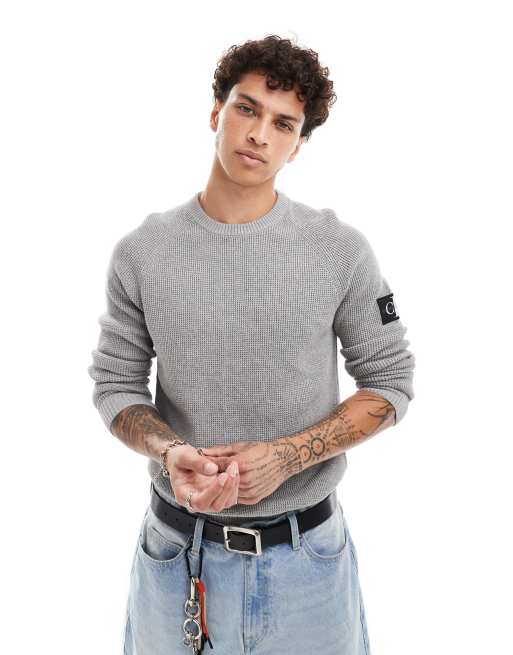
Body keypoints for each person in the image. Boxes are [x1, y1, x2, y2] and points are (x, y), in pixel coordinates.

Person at [88, 34, 415, 655]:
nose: (259, 134)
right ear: (217, 112)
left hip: (306, 563)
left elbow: (390, 382)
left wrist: (288, 457)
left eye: (283, 123)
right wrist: (169, 451)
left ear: (298, 144)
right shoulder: (143, 253)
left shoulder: (336, 250)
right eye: (247, 109)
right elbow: (116, 385)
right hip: (179, 557)